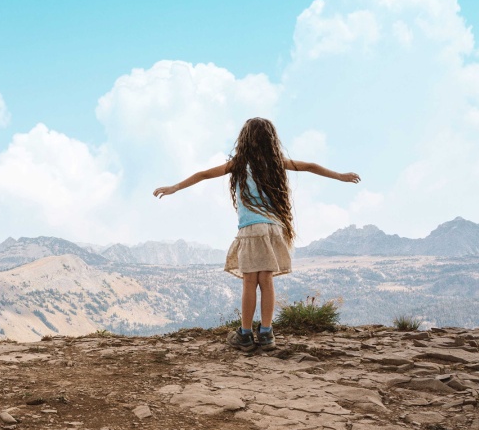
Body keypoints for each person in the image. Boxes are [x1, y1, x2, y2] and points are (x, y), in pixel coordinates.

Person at [153, 117, 359, 351]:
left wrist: (174, 187)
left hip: (251, 229)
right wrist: (340, 176)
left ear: (245, 140)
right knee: (267, 281)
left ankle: (245, 334)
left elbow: (203, 175)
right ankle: (267, 333)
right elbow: (310, 166)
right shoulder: (277, 162)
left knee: (250, 282)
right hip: (273, 229)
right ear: (271, 140)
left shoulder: (239, 164)